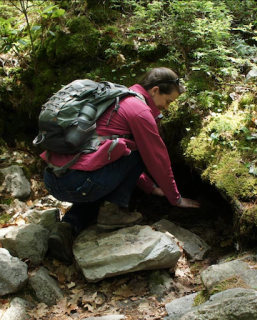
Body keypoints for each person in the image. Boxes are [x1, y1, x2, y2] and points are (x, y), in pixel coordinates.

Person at [42, 67, 201, 263]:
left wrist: (150, 188)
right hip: (80, 182)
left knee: (100, 188)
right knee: (137, 153)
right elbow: (156, 159)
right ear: (155, 90)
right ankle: (112, 213)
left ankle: (67, 227)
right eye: (168, 102)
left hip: (53, 178)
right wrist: (175, 198)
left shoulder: (115, 98)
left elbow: (108, 160)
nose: (167, 108)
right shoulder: (140, 111)